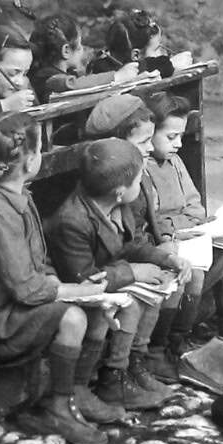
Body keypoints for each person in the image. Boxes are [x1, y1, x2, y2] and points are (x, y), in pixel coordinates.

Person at [0, 112, 112, 444]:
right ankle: (56, 407)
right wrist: (75, 292)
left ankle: (74, 392)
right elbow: (25, 288)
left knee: (96, 307)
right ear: (30, 160)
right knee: (72, 317)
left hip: (19, 305)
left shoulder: (21, 197)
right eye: (40, 148)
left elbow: (39, 263)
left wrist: (79, 289)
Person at [136, 92, 223, 367]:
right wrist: (184, 226)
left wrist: (196, 223)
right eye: (171, 137)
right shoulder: (143, 169)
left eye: (180, 136)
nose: (179, 144)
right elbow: (155, 223)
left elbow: (194, 205)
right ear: (150, 132)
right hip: (169, 245)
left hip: (192, 234)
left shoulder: (175, 162)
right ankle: (178, 340)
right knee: (198, 265)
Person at [44, 138, 179, 414]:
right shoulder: (72, 220)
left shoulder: (115, 205)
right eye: (139, 177)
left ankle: (131, 366)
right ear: (119, 191)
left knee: (156, 290)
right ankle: (96, 382)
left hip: (105, 277)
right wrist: (133, 272)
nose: (141, 181)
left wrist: (164, 258)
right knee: (126, 306)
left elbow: (128, 244)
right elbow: (86, 279)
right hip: (72, 288)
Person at [79, 93, 205, 380]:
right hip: (105, 275)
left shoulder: (136, 181)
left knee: (173, 273)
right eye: (143, 143)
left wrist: (165, 257)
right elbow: (101, 257)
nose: (149, 150)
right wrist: (137, 269)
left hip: (128, 261)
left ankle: (150, 356)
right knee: (149, 291)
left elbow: (134, 237)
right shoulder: (95, 202)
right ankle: (128, 368)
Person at [27, 12, 138, 103]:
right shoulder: (47, 78)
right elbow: (72, 84)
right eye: (80, 46)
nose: (83, 50)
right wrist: (118, 76)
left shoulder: (44, 74)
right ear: (66, 51)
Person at [89, 9, 174, 79]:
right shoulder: (140, 68)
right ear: (135, 55)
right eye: (157, 48)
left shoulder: (98, 67)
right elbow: (166, 65)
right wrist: (150, 51)